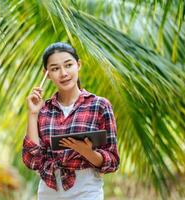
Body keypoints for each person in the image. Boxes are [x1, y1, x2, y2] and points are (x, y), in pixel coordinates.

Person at [22, 42, 119, 200]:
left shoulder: (99, 105)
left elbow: (113, 161)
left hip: (86, 190)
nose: (63, 73)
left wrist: (88, 152)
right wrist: (33, 113)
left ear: (78, 65)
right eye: (55, 69)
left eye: (68, 65)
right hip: (48, 191)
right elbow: (32, 159)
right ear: (46, 73)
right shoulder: (43, 110)